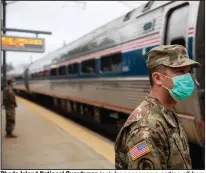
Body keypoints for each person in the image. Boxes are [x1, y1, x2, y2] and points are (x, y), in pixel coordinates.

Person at [114, 45, 201, 169]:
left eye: (188, 72)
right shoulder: (146, 127)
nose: (187, 78)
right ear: (158, 78)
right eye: (180, 72)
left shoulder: (167, 113)